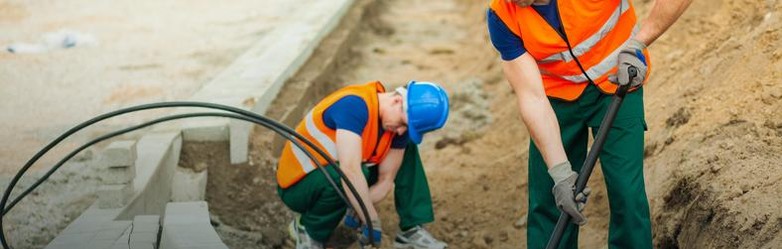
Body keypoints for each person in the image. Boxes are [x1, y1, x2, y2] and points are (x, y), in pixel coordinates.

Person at [486, 0, 691, 248]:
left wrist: (639, 42)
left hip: (618, 83)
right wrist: (561, 174)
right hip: (556, 100)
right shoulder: (502, 16)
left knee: (627, 193)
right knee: (551, 197)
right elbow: (532, 98)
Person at [276, 80, 450, 249]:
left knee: (408, 146)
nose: (401, 131)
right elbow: (350, 171)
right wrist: (370, 218)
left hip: (337, 176)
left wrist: (362, 205)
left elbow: (386, 180)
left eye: (408, 128)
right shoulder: (354, 106)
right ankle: (309, 231)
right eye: (404, 124)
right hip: (299, 186)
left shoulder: (397, 126)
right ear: (397, 100)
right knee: (345, 175)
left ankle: (411, 230)